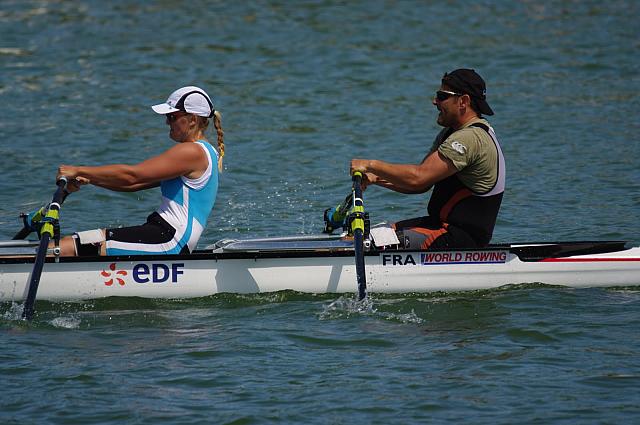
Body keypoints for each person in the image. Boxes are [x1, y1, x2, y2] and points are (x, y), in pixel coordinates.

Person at [54, 86, 225, 256]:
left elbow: (132, 176)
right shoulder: (203, 152)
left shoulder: (192, 152)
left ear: (193, 120)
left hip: (169, 241)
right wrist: (91, 178)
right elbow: (134, 185)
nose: (167, 122)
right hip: (160, 233)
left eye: (172, 117)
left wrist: (76, 170)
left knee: (66, 248)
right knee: (72, 242)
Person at [350, 69, 505, 250]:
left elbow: (418, 177)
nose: (435, 101)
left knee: (370, 244)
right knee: (373, 234)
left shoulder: (469, 138)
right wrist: (376, 179)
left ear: (463, 101)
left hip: (459, 238)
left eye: (441, 96)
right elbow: (420, 185)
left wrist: (371, 165)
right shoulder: (451, 133)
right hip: (440, 227)